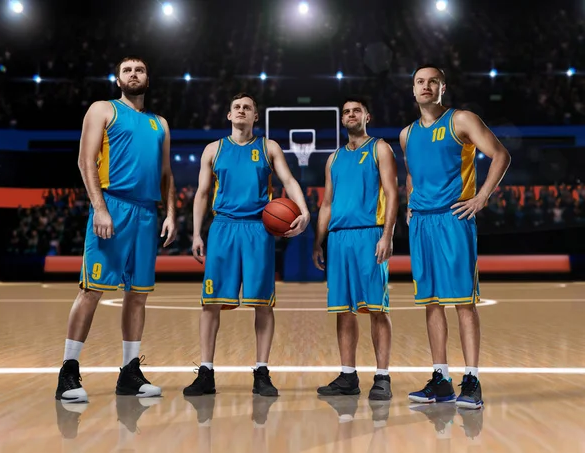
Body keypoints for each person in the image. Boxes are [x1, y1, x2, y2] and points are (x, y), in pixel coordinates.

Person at [55, 56, 177, 403]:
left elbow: (166, 173)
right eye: (127, 70)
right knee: (92, 290)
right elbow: (85, 160)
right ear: (118, 79)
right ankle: (68, 370)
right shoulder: (103, 109)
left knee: (138, 295)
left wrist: (169, 213)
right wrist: (100, 209)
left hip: (146, 214)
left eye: (139, 70)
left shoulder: (160, 124)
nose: (133, 74)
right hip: (113, 206)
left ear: (147, 79)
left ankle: (129, 372)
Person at [183, 92, 311, 397]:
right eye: (237, 107)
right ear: (229, 115)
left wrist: (304, 211)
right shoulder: (213, 150)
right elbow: (202, 193)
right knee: (210, 303)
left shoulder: (268, 148)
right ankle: (206, 371)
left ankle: (262, 371)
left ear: (256, 117)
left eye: (248, 108)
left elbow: (289, 181)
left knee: (262, 304)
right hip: (223, 227)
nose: (241, 110)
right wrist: (197, 233)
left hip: (258, 229)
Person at [400, 65, 511, 409]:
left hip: (453, 218)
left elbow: (500, 155)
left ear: (443, 87)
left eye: (433, 81)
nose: (426, 86)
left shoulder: (461, 120)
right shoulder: (407, 134)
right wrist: (408, 205)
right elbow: (411, 174)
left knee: (463, 301)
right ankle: (441, 379)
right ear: (413, 89)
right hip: (421, 222)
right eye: (420, 81)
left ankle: (472, 380)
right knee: (431, 303)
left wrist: (482, 198)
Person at [312, 98, 399, 400]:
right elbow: (326, 204)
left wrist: (387, 235)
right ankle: (348, 376)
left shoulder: (380, 149)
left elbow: (391, 192)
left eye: (356, 111)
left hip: (369, 235)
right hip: (338, 239)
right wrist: (317, 241)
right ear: (342, 120)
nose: (350, 115)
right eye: (346, 112)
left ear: (367, 116)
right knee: (344, 311)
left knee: (377, 307)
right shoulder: (334, 158)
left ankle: (383, 377)